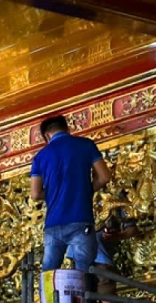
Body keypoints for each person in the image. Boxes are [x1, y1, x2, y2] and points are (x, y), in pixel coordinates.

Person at [30, 115, 111, 273]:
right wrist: (85, 190)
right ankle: (83, 298)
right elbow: (105, 176)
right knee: (83, 273)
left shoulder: (40, 157)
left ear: (46, 136)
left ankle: (47, 298)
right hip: (81, 220)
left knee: (49, 274)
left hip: (53, 224)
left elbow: (35, 193)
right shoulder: (86, 145)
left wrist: (54, 194)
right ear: (67, 128)